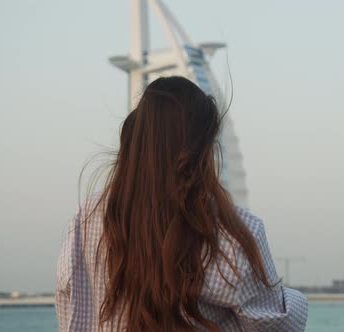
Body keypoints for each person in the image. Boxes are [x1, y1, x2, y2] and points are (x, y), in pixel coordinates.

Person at [55, 76, 308, 331]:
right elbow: (276, 325)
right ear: (203, 151)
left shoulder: (87, 221)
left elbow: (71, 313)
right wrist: (292, 299)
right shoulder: (230, 231)